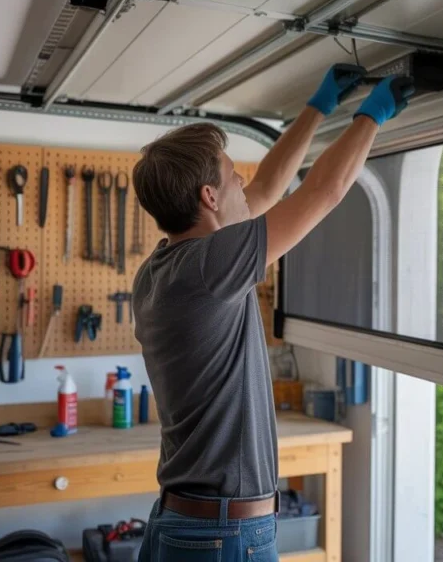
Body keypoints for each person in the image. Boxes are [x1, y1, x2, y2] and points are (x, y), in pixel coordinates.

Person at [131, 65, 414, 561]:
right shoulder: (208, 267)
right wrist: (374, 113)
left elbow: (265, 189)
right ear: (209, 197)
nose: (241, 179)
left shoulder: (161, 269)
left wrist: (319, 105)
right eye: (228, 172)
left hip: (188, 525)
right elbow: (322, 193)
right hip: (221, 536)